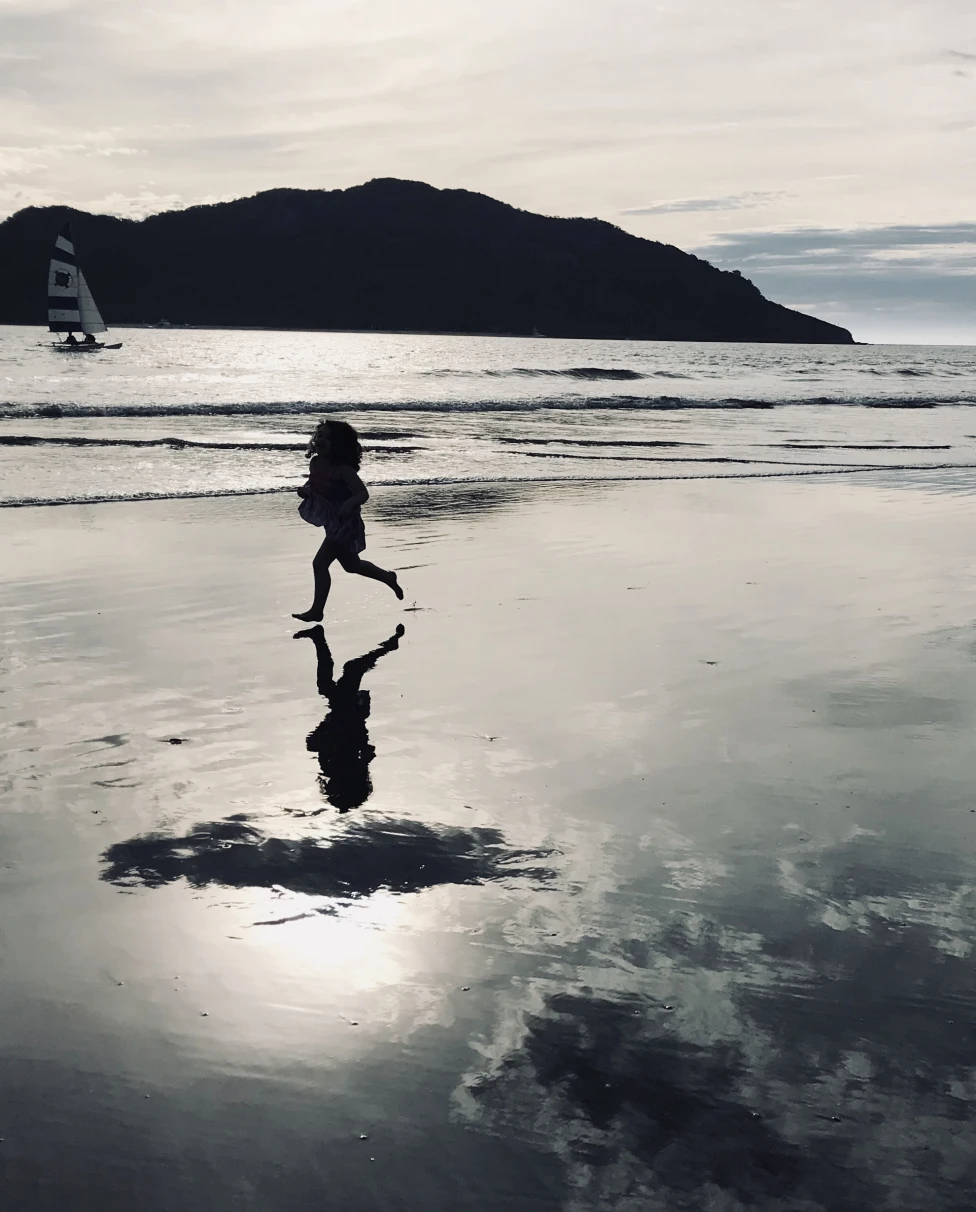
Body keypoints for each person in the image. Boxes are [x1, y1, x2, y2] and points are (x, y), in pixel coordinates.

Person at [292, 419, 403, 622]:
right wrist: (306, 490)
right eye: (319, 436)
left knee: (319, 564)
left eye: (327, 437)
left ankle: (317, 611)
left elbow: (363, 493)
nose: (321, 440)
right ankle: (388, 577)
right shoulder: (315, 463)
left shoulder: (344, 470)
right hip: (331, 522)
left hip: (346, 523)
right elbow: (315, 483)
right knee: (352, 565)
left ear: (339, 443)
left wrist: (350, 503)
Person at [294, 623, 404, 812]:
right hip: (349, 716)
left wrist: (328, 731)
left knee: (333, 681)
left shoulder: (352, 769)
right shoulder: (352, 769)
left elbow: (320, 744)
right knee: (348, 671)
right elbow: (361, 746)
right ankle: (386, 647)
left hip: (347, 716)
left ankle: (319, 638)